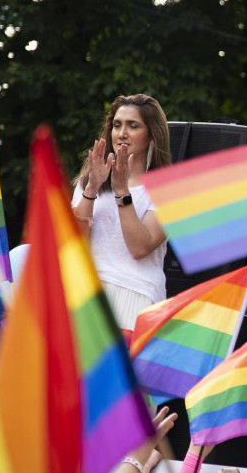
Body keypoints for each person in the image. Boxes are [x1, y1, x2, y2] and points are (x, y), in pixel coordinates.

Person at [73, 94, 173, 329]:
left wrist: (122, 191)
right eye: (117, 125)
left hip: (136, 293)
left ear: (151, 135)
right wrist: (91, 188)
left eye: (133, 125)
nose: (122, 133)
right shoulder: (92, 179)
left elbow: (140, 248)